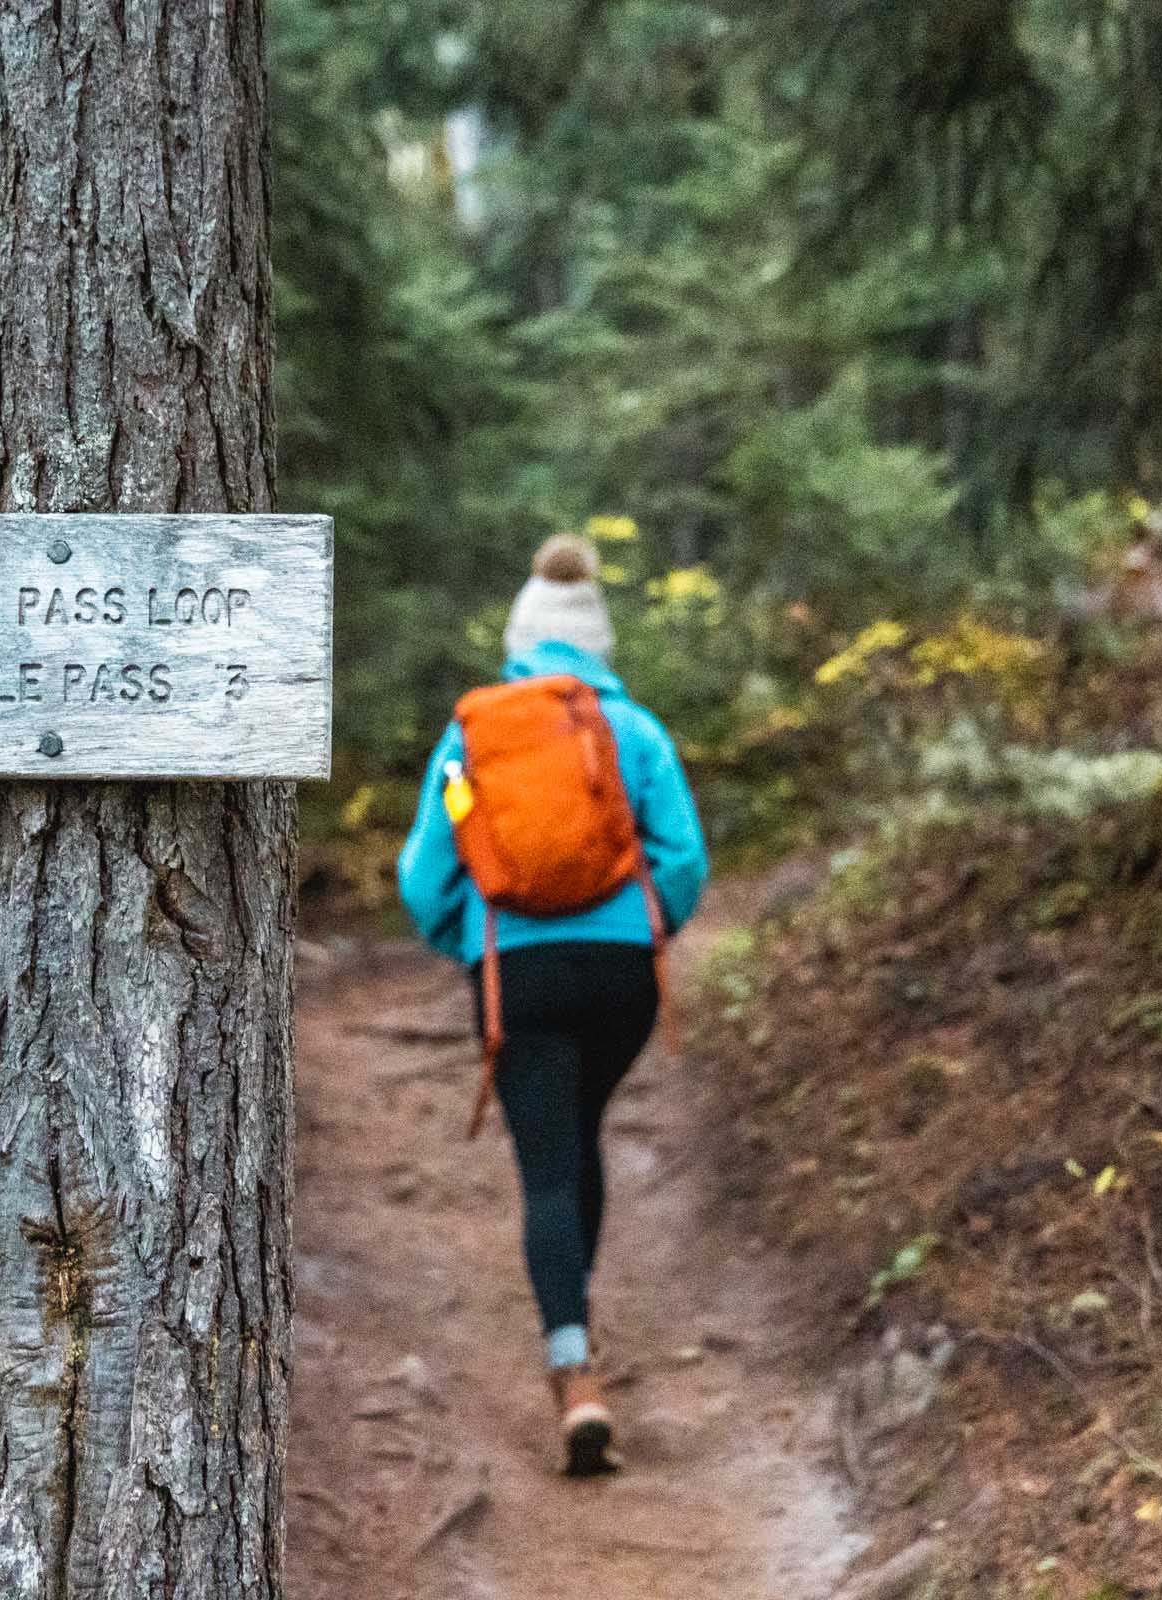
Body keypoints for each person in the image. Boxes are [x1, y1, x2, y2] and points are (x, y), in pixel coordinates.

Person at [397, 532, 708, 1475]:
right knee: (580, 1136)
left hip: (518, 979)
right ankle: (580, 1331)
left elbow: (424, 875)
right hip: (620, 980)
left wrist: (474, 946)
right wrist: (643, 931)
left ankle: (572, 1372)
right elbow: (684, 860)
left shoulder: (470, 739)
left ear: (519, 640)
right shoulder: (634, 730)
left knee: (548, 1168)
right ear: (599, 641)